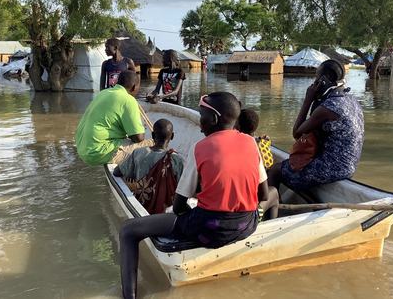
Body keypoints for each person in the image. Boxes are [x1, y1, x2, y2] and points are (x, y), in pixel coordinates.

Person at [119, 92, 270, 299]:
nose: (199, 124)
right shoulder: (251, 143)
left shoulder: (200, 148)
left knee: (128, 231)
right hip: (247, 224)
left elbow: (179, 206)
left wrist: (194, 214)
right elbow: (262, 194)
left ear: (214, 119)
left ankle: (129, 296)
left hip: (209, 229)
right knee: (273, 195)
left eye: (202, 116)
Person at [269, 59, 364, 193]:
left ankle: (267, 209)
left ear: (324, 80)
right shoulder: (352, 100)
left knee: (275, 170)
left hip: (332, 168)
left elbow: (297, 133)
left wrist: (308, 100)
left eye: (317, 78)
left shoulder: (329, 107)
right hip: (348, 167)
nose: (314, 83)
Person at [75, 70, 151, 166]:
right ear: (134, 87)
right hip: (97, 152)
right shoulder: (128, 100)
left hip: (83, 149)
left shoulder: (104, 93)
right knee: (150, 146)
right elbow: (138, 138)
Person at [114, 119, 185, 214]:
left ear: (152, 135)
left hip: (142, 206)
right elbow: (184, 188)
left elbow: (117, 172)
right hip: (167, 212)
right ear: (172, 136)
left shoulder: (138, 153)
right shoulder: (177, 160)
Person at [236, 108, 279, 220]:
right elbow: (264, 196)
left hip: (228, 208)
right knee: (273, 192)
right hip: (246, 216)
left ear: (237, 127)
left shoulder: (232, 147)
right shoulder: (256, 148)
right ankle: (269, 227)